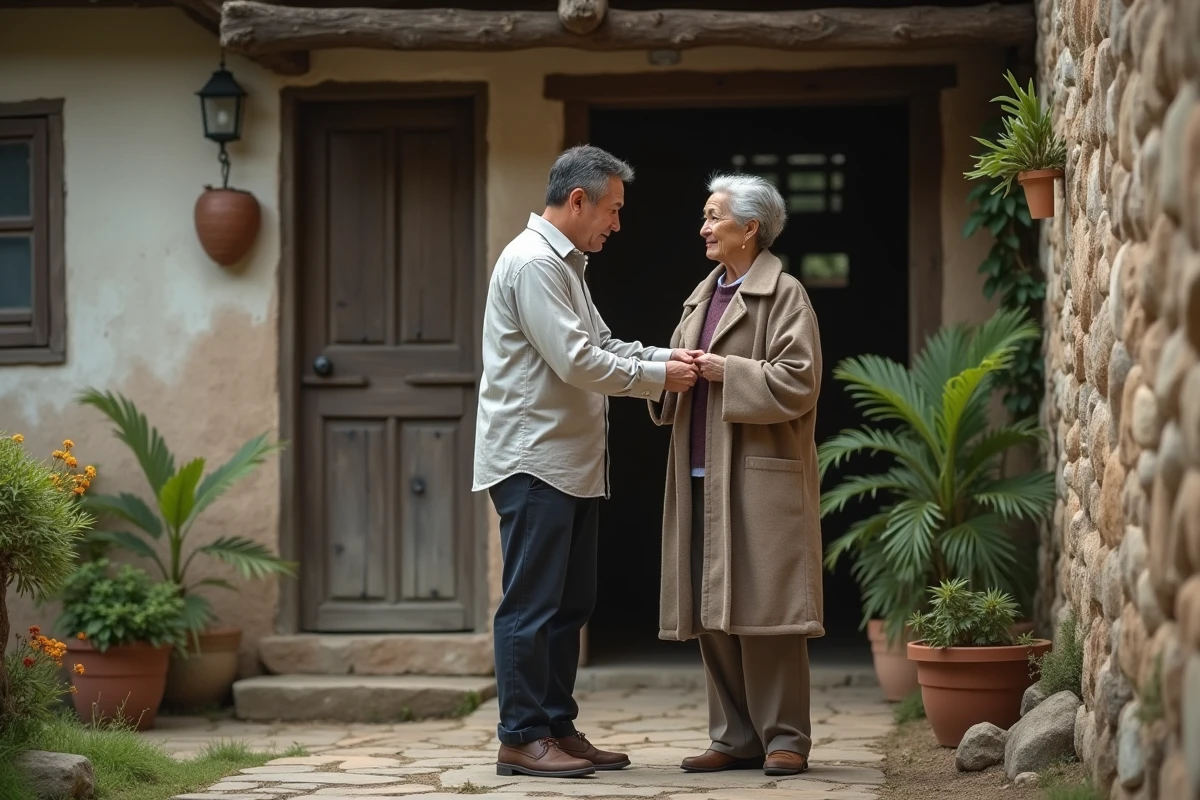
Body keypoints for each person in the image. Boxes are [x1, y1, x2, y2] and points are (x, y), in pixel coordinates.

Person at [473, 145, 701, 778]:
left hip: (568, 462)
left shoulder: (565, 264)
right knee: (531, 605)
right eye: (614, 209)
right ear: (578, 201)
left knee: (569, 605)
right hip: (534, 459)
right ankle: (519, 736)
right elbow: (577, 362)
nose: (617, 224)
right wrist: (658, 378)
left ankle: (555, 727)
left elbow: (602, 343)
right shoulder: (533, 264)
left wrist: (666, 356)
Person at [648, 173, 824, 777]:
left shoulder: (787, 295)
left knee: (767, 609)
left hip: (757, 475)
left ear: (750, 229)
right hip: (698, 470)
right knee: (709, 607)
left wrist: (729, 371)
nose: (703, 227)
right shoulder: (700, 297)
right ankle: (734, 735)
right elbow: (675, 376)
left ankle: (786, 738)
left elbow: (800, 380)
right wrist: (673, 372)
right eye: (704, 216)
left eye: (714, 216)